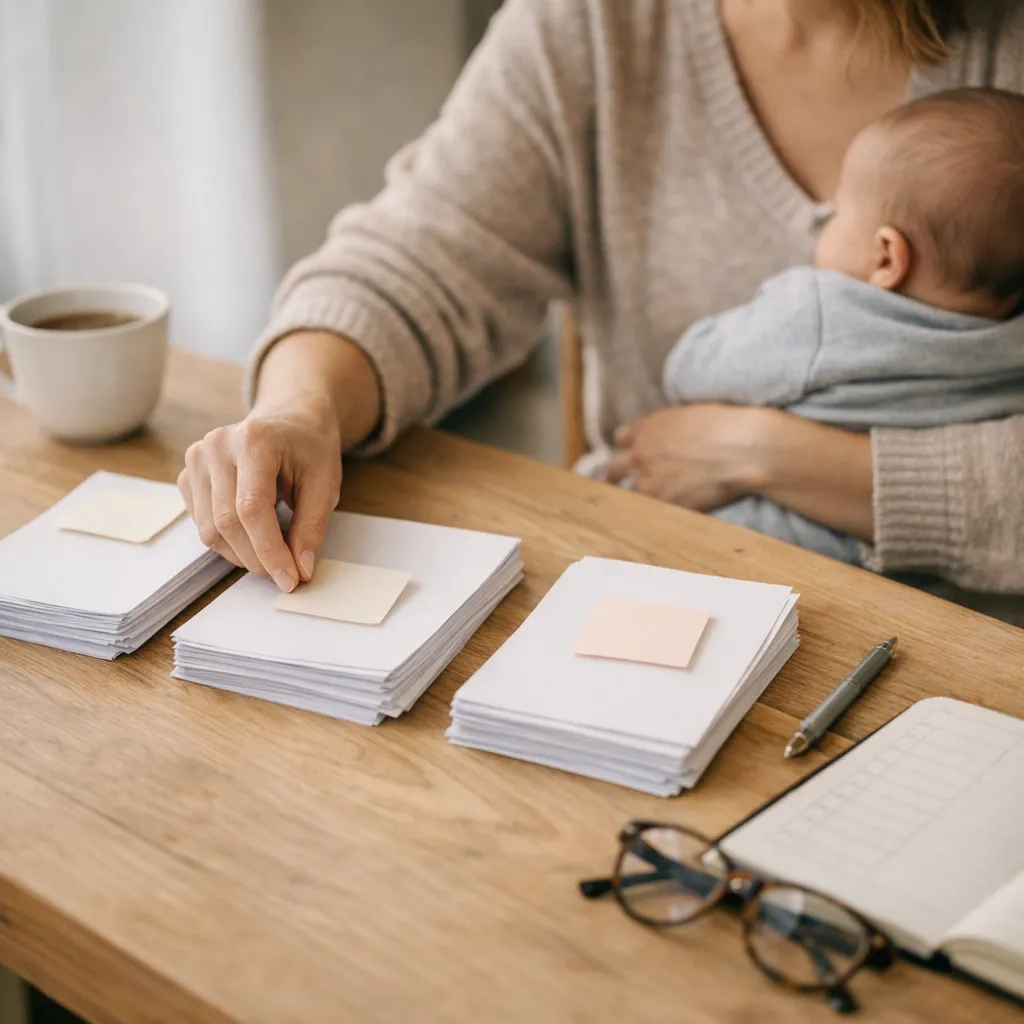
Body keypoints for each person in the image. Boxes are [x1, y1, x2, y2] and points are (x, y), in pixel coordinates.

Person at [178, 0, 1024, 611]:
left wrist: (766, 455)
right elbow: (418, 255)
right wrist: (299, 408)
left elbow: (697, 372)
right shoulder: (593, 23)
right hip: (674, 603)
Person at [650, 87, 1024, 563]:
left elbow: (689, 370)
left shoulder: (818, 316)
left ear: (886, 256)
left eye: (840, 213)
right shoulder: (1014, 341)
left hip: (767, 534)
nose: (821, 222)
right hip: (885, 562)